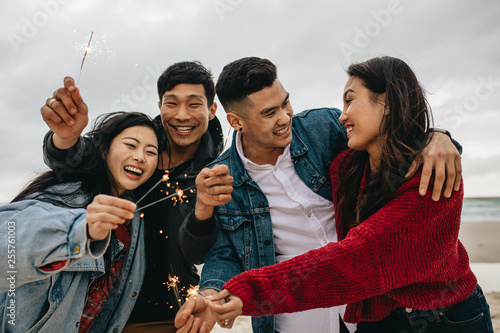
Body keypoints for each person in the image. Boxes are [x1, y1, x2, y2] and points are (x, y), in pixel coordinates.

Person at [202, 56, 495, 332]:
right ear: (236, 122)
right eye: (269, 112)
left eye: (286, 102)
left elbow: (357, 259)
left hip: (444, 317)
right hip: (367, 318)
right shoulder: (346, 166)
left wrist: (439, 136)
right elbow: (223, 249)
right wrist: (212, 291)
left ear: (388, 102)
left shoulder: (427, 177)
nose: (341, 117)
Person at [40, 62, 233, 332]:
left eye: (193, 104)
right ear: (159, 105)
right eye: (171, 103)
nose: (181, 115)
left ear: (212, 110)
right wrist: (65, 138)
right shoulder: (136, 140)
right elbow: (77, 160)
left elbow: (200, 252)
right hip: (92, 309)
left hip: (166, 316)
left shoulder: (220, 174)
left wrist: (203, 208)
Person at [0, 111, 160, 332]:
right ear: (103, 149)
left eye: (151, 152)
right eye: (131, 145)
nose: (140, 157)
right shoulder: (66, 196)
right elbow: (9, 244)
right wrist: (81, 230)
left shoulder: (135, 217)